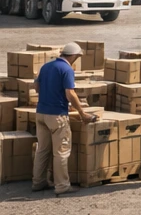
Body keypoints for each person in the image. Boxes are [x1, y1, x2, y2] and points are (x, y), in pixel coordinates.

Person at [32, 43, 100, 196]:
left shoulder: (46, 66)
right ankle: (62, 186)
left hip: (41, 113)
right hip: (57, 115)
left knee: (42, 150)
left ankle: (38, 182)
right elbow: (70, 93)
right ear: (74, 56)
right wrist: (82, 113)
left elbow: (36, 87)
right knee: (61, 152)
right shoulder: (67, 69)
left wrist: (53, 97)